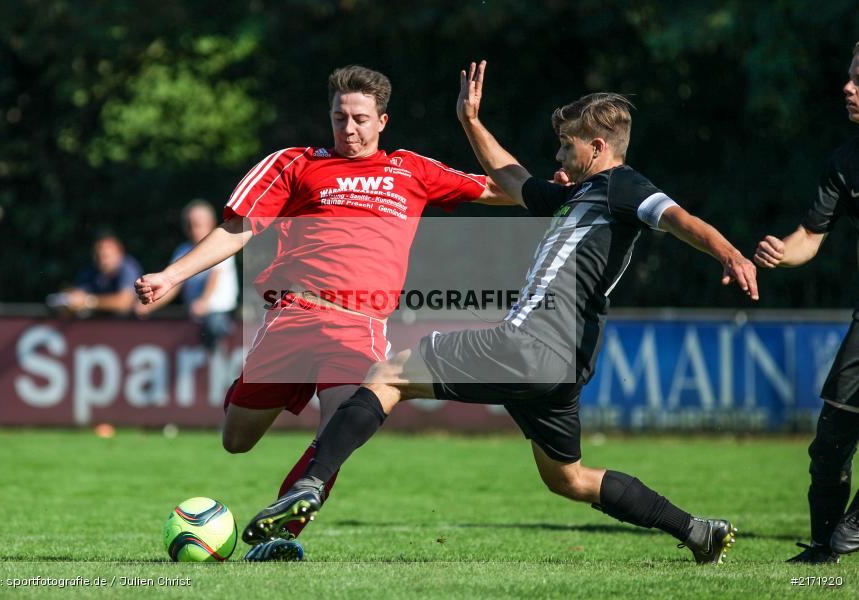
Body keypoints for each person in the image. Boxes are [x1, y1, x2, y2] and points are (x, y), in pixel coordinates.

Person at [248, 61, 761, 565]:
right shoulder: (574, 195)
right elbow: (512, 179)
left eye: (568, 144)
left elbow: (677, 218)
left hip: (530, 343)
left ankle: (310, 484)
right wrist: (471, 121)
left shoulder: (623, 186)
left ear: (598, 148)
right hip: (563, 367)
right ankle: (696, 531)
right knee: (569, 479)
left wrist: (729, 253)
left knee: (388, 371)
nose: (559, 153)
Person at [135, 65, 511, 561]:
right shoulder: (296, 164)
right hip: (292, 315)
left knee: (339, 429)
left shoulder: (411, 169)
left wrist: (552, 187)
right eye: (339, 118)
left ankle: (278, 533)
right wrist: (171, 275)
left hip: (357, 326)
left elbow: (499, 188)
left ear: (382, 121)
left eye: (359, 119)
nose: (348, 129)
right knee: (236, 438)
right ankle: (285, 500)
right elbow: (238, 227)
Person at [753, 41, 859, 564]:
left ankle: (845, 533)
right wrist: (781, 252)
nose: (847, 86)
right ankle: (822, 557)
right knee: (830, 442)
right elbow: (811, 237)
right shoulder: (845, 162)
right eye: (849, 76)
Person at [136, 200, 239, 349]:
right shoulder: (183, 250)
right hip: (194, 315)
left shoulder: (221, 246)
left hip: (220, 314)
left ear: (210, 223)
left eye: (197, 224)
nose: (193, 230)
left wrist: (203, 301)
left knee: (213, 331)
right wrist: (149, 306)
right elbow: (172, 285)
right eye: (189, 225)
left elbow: (214, 277)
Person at [50, 232, 142, 317]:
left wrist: (89, 301)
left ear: (120, 253)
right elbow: (79, 294)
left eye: (106, 256)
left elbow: (124, 303)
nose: (102, 261)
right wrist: (71, 300)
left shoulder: (128, 268)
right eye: (98, 256)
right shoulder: (90, 271)